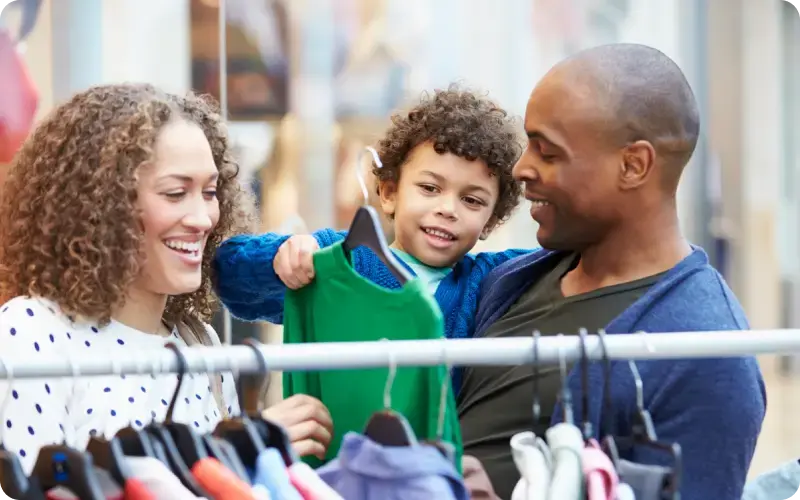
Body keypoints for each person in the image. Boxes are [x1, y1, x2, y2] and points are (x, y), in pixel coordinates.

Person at [456, 43, 766, 500]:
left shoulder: (708, 353)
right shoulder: (509, 280)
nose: (521, 168)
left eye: (547, 152)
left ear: (633, 165)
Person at [0, 83, 330, 471]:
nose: (202, 218)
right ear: (102, 205)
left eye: (210, 192)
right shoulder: (31, 333)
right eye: (176, 193)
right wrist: (240, 446)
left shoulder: (200, 342)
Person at [213, 87, 531, 394]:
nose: (447, 210)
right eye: (430, 189)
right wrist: (280, 256)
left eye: (472, 201)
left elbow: (564, 256)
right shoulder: (340, 260)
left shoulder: (488, 281)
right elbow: (229, 272)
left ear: (491, 220)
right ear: (389, 192)